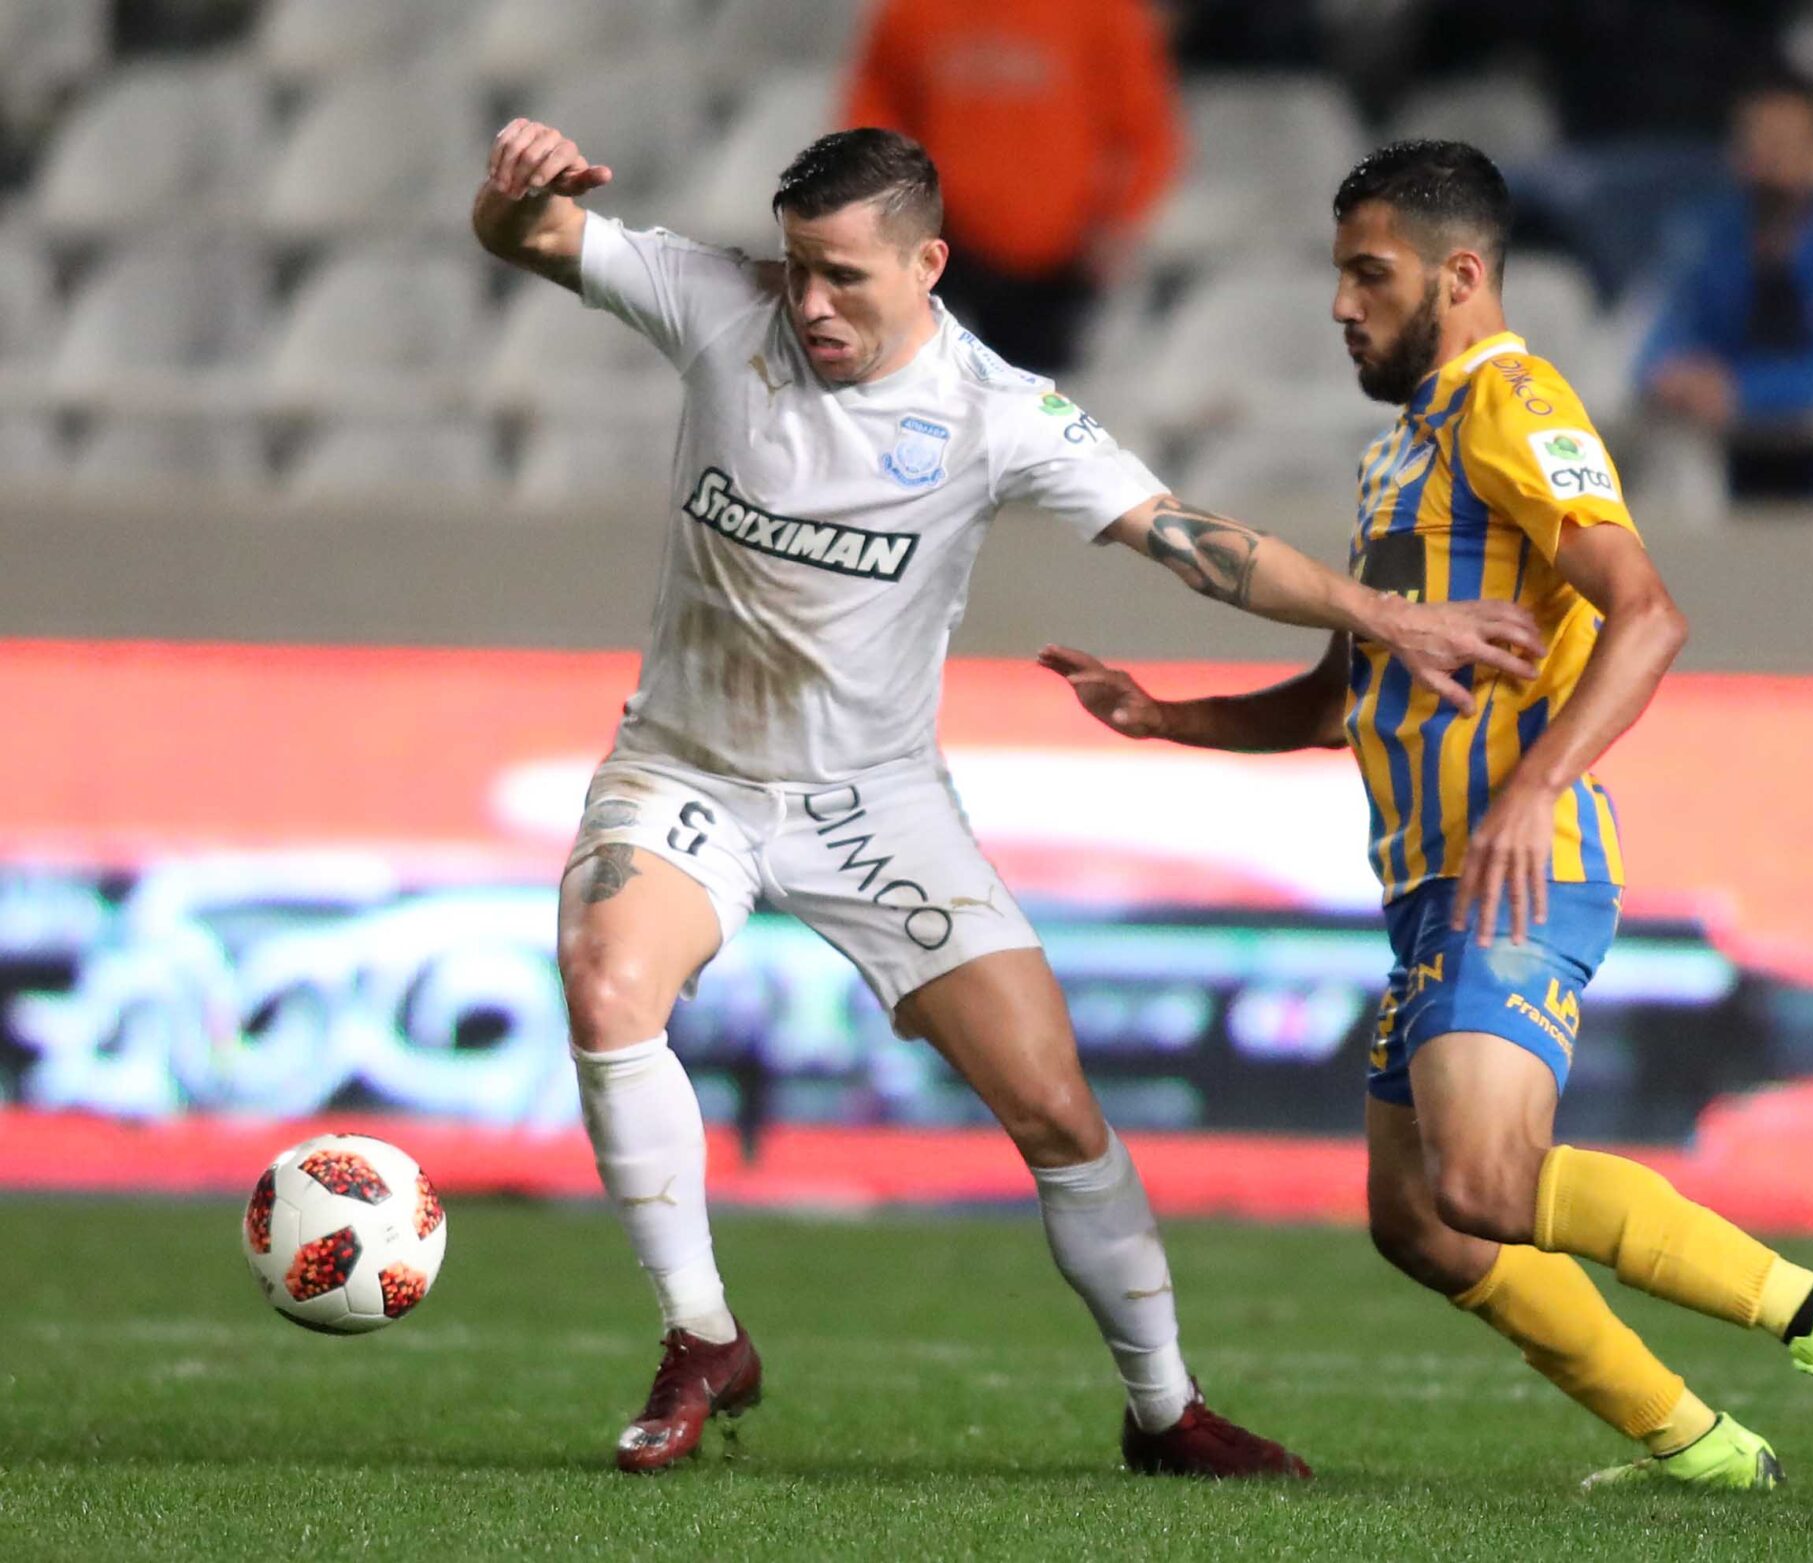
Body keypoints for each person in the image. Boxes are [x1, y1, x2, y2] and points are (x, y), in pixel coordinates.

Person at [471, 121, 1544, 1478]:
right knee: (606, 981)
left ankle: (1166, 1410)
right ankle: (701, 1335)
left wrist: (1384, 616)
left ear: (927, 264)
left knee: (1056, 1113)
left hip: (875, 807)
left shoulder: (995, 411)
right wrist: (513, 193)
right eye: (799, 267)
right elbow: (531, 237)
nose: (811, 302)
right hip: (689, 771)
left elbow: (1193, 542)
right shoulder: (718, 302)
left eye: (845, 276)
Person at [1043, 139, 1813, 1499]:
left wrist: (1533, 788)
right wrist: (1170, 718)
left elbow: (1649, 615)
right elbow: (1341, 698)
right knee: (1424, 1222)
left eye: (1369, 275)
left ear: (1459, 275)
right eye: (1338, 274)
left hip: (1515, 865)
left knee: (1484, 1179)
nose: (1340, 304)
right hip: (1431, 883)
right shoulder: (1398, 453)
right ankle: (1697, 1448)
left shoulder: (1511, 404)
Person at [841, 0, 1180, 375]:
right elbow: (872, 115)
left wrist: (1121, 223)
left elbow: (1149, 134)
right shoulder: (913, 12)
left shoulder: (1102, 13)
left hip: (1061, 269)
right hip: (944, 254)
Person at [1637, 69, 1813, 507]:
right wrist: (1673, 375)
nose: (1768, 159)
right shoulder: (1705, 238)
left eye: (1785, 144)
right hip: (1732, 464)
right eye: (1756, 141)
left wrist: (1745, 390)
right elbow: (1663, 332)